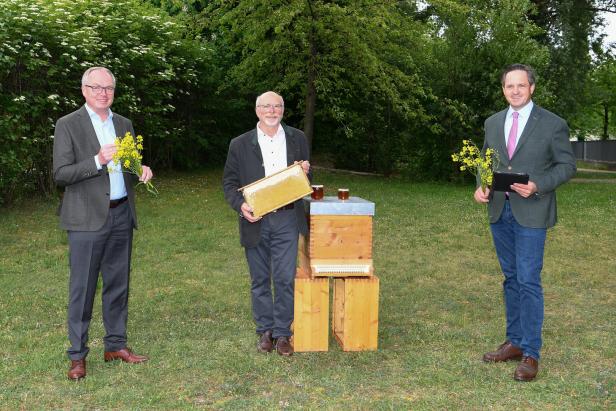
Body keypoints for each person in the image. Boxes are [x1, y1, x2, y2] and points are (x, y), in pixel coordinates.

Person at [474, 64, 576, 381]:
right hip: (499, 211)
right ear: (503, 89)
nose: (515, 91)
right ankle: (514, 342)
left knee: (529, 280)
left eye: (521, 85)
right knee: (511, 278)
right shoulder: (492, 122)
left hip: (532, 210)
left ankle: (531, 353)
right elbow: (485, 161)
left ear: (531, 87)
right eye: (509, 86)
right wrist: (481, 185)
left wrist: (538, 184)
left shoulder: (553, 124)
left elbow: (567, 166)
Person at [53, 67, 153, 380]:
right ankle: (77, 356)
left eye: (108, 87)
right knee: (82, 290)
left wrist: (140, 169)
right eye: (96, 87)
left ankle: (115, 345)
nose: (103, 93)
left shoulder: (123, 123)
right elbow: (61, 174)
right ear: (84, 90)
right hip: (85, 219)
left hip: (121, 215)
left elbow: (127, 166)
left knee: (117, 284)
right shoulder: (68, 124)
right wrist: (97, 160)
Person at [222, 91, 311, 356]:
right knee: (260, 279)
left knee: (284, 278)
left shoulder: (298, 138)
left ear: (283, 110)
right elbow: (229, 183)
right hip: (256, 219)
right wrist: (241, 206)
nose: (271, 111)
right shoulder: (239, 144)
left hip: (286, 217)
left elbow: (305, 178)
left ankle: (283, 333)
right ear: (257, 110)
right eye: (266, 106)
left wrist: (305, 171)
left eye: (277, 106)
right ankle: (265, 330)